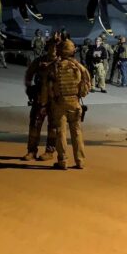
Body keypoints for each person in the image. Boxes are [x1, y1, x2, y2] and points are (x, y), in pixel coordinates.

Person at [41, 40, 91, 170]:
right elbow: (86, 87)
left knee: (61, 133)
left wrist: (44, 103)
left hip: (59, 104)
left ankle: (63, 161)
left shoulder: (54, 67)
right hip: (75, 103)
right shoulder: (79, 67)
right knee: (77, 133)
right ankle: (80, 161)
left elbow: (47, 87)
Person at [22, 42, 58, 161]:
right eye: (52, 47)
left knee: (53, 126)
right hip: (40, 97)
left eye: (56, 47)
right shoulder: (39, 61)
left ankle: (49, 151)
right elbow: (29, 74)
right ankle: (31, 151)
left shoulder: (62, 63)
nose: (53, 50)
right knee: (35, 124)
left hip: (55, 99)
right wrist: (29, 88)